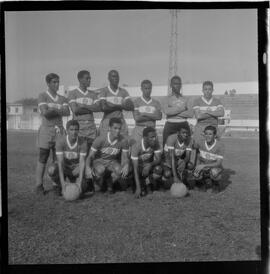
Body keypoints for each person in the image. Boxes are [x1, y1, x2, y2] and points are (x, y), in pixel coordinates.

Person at [35, 73, 70, 195]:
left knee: (58, 158)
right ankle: (39, 185)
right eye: (54, 82)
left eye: (58, 82)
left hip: (59, 131)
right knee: (43, 157)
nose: (57, 84)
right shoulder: (42, 95)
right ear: (48, 83)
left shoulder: (62, 98)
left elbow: (67, 112)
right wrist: (58, 110)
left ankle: (56, 185)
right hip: (46, 130)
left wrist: (53, 110)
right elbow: (45, 113)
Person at [85, 117, 130, 193]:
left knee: (120, 171)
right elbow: (90, 156)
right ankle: (96, 182)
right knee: (100, 170)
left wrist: (127, 165)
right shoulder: (100, 139)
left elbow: (125, 157)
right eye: (115, 128)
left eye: (119, 129)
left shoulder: (123, 140)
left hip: (112, 162)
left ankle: (109, 182)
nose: (117, 131)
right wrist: (87, 167)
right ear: (109, 128)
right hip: (99, 161)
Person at [48, 120, 89, 197]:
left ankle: (83, 183)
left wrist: (79, 183)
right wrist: (63, 184)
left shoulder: (83, 142)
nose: (74, 132)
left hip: (75, 169)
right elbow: (60, 163)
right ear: (67, 131)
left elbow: (82, 162)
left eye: (76, 129)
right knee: (52, 170)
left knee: (84, 185)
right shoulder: (60, 141)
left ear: (78, 130)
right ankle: (57, 185)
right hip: (64, 167)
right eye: (71, 129)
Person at [68, 70, 100, 150]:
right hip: (79, 127)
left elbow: (98, 108)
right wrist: (91, 108)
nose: (89, 80)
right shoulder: (73, 93)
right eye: (87, 78)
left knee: (91, 154)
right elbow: (75, 110)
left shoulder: (93, 94)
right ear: (80, 79)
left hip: (91, 128)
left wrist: (83, 106)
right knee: (79, 153)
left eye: (90, 78)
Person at [97, 70, 134, 137]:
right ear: (109, 78)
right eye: (113, 76)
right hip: (108, 121)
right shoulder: (104, 91)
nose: (116, 79)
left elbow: (131, 106)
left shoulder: (123, 91)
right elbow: (104, 107)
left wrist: (111, 105)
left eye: (117, 76)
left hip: (120, 121)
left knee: (123, 142)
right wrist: (120, 106)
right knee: (106, 143)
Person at [131, 127, 163, 198]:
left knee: (159, 169)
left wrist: (150, 165)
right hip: (137, 168)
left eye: (155, 136)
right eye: (152, 137)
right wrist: (138, 188)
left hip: (147, 167)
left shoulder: (156, 144)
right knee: (133, 171)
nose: (154, 139)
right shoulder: (136, 146)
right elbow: (135, 168)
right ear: (145, 138)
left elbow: (158, 159)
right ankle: (139, 185)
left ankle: (147, 184)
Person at [162, 75, 193, 147]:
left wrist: (173, 112)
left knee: (185, 149)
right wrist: (183, 108)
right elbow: (167, 112)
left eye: (179, 84)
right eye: (175, 84)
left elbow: (190, 114)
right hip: (170, 125)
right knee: (167, 149)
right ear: (171, 85)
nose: (177, 86)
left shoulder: (186, 99)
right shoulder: (166, 99)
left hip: (183, 124)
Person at [192, 125, 224, 192]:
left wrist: (204, 165)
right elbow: (192, 146)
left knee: (214, 172)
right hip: (203, 166)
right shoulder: (200, 142)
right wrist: (191, 132)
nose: (207, 136)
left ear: (214, 135)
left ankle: (215, 184)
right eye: (206, 134)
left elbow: (218, 163)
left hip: (214, 167)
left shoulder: (220, 146)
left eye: (210, 134)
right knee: (195, 173)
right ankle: (201, 183)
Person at [131, 80, 162, 144]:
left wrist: (144, 114)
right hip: (139, 130)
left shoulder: (156, 103)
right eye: (145, 88)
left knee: (152, 151)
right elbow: (137, 118)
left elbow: (159, 117)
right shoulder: (136, 102)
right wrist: (152, 116)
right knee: (136, 150)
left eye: (149, 88)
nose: (148, 90)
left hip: (151, 130)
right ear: (141, 89)